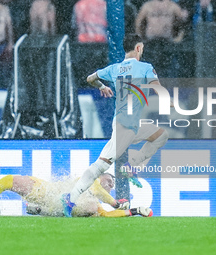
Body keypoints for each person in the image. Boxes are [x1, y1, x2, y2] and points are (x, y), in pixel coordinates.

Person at [62, 34, 169, 217]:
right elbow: (157, 87)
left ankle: (131, 166)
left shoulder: (114, 68)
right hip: (124, 127)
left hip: (130, 124)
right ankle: (71, 197)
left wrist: (102, 87)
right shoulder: (145, 67)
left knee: (161, 135)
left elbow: (90, 78)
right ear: (138, 48)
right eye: (141, 48)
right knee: (101, 165)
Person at [0, 173, 152, 217]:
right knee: (7, 181)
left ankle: (41, 210)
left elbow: (107, 214)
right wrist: (117, 203)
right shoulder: (93, 181)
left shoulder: (94, 203)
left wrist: (134, 211)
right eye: (109, 179)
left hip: (50, 201)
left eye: (113, 183)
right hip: (46, 189)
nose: (110, 182)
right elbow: (103, 193)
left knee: (88, 210)